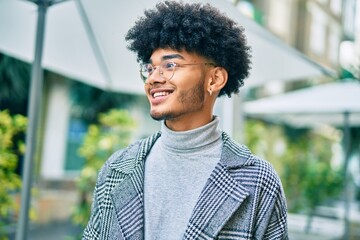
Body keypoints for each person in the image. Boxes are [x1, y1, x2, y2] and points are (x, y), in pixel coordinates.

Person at [83, 1, 288, 239]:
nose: (153, 79)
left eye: (170, 65)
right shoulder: (116, 169)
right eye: (150, 69)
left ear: (214, 79)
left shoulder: (258, 180)